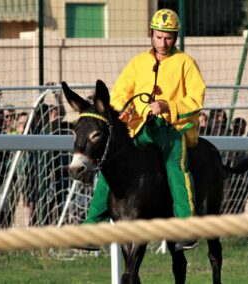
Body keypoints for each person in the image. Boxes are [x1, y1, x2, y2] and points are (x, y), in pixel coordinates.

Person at [82, 9, 205, 251]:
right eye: (159, 36)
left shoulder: (186, 63)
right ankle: (91, 229)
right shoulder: (138, 62)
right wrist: (124, 111)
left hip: (172, 129)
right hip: (139, 128)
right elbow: (119, 94)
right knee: (111, 163)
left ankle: (187, 229)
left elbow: (196, 99)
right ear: (151, 34)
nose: (163, 42)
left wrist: (168, 105)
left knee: (176, 168)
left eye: (168, 37)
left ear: (176, 37)